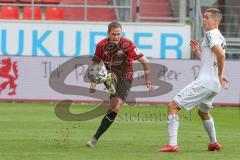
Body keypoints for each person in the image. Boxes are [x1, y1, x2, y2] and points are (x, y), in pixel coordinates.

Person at [158, 8, 228, 152]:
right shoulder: (220, 37)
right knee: (203, 112)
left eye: (207, 17)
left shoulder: (210, 34)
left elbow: (220, 55)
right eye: (203, 17)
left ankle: (172, 145)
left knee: (173, 106)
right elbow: (211, 60)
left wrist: (220, 74)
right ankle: (214, 143)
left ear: (215, 21)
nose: (204, 20)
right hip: (213, 85)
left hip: (205, 82)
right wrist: (197, 52)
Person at [86, 21, 154, 147]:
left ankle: (95, 137)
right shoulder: (101, 46)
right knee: (115, 106)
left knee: (114, 108)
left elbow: (145, 61)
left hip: (125, 78)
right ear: (108, 33)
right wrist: (93, 82)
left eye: (118, 34)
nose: (116, 37)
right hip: (110, 75)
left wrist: (148, 80)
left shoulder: (127, 45)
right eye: (113, 34)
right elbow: (96, 63)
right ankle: (95, 139)